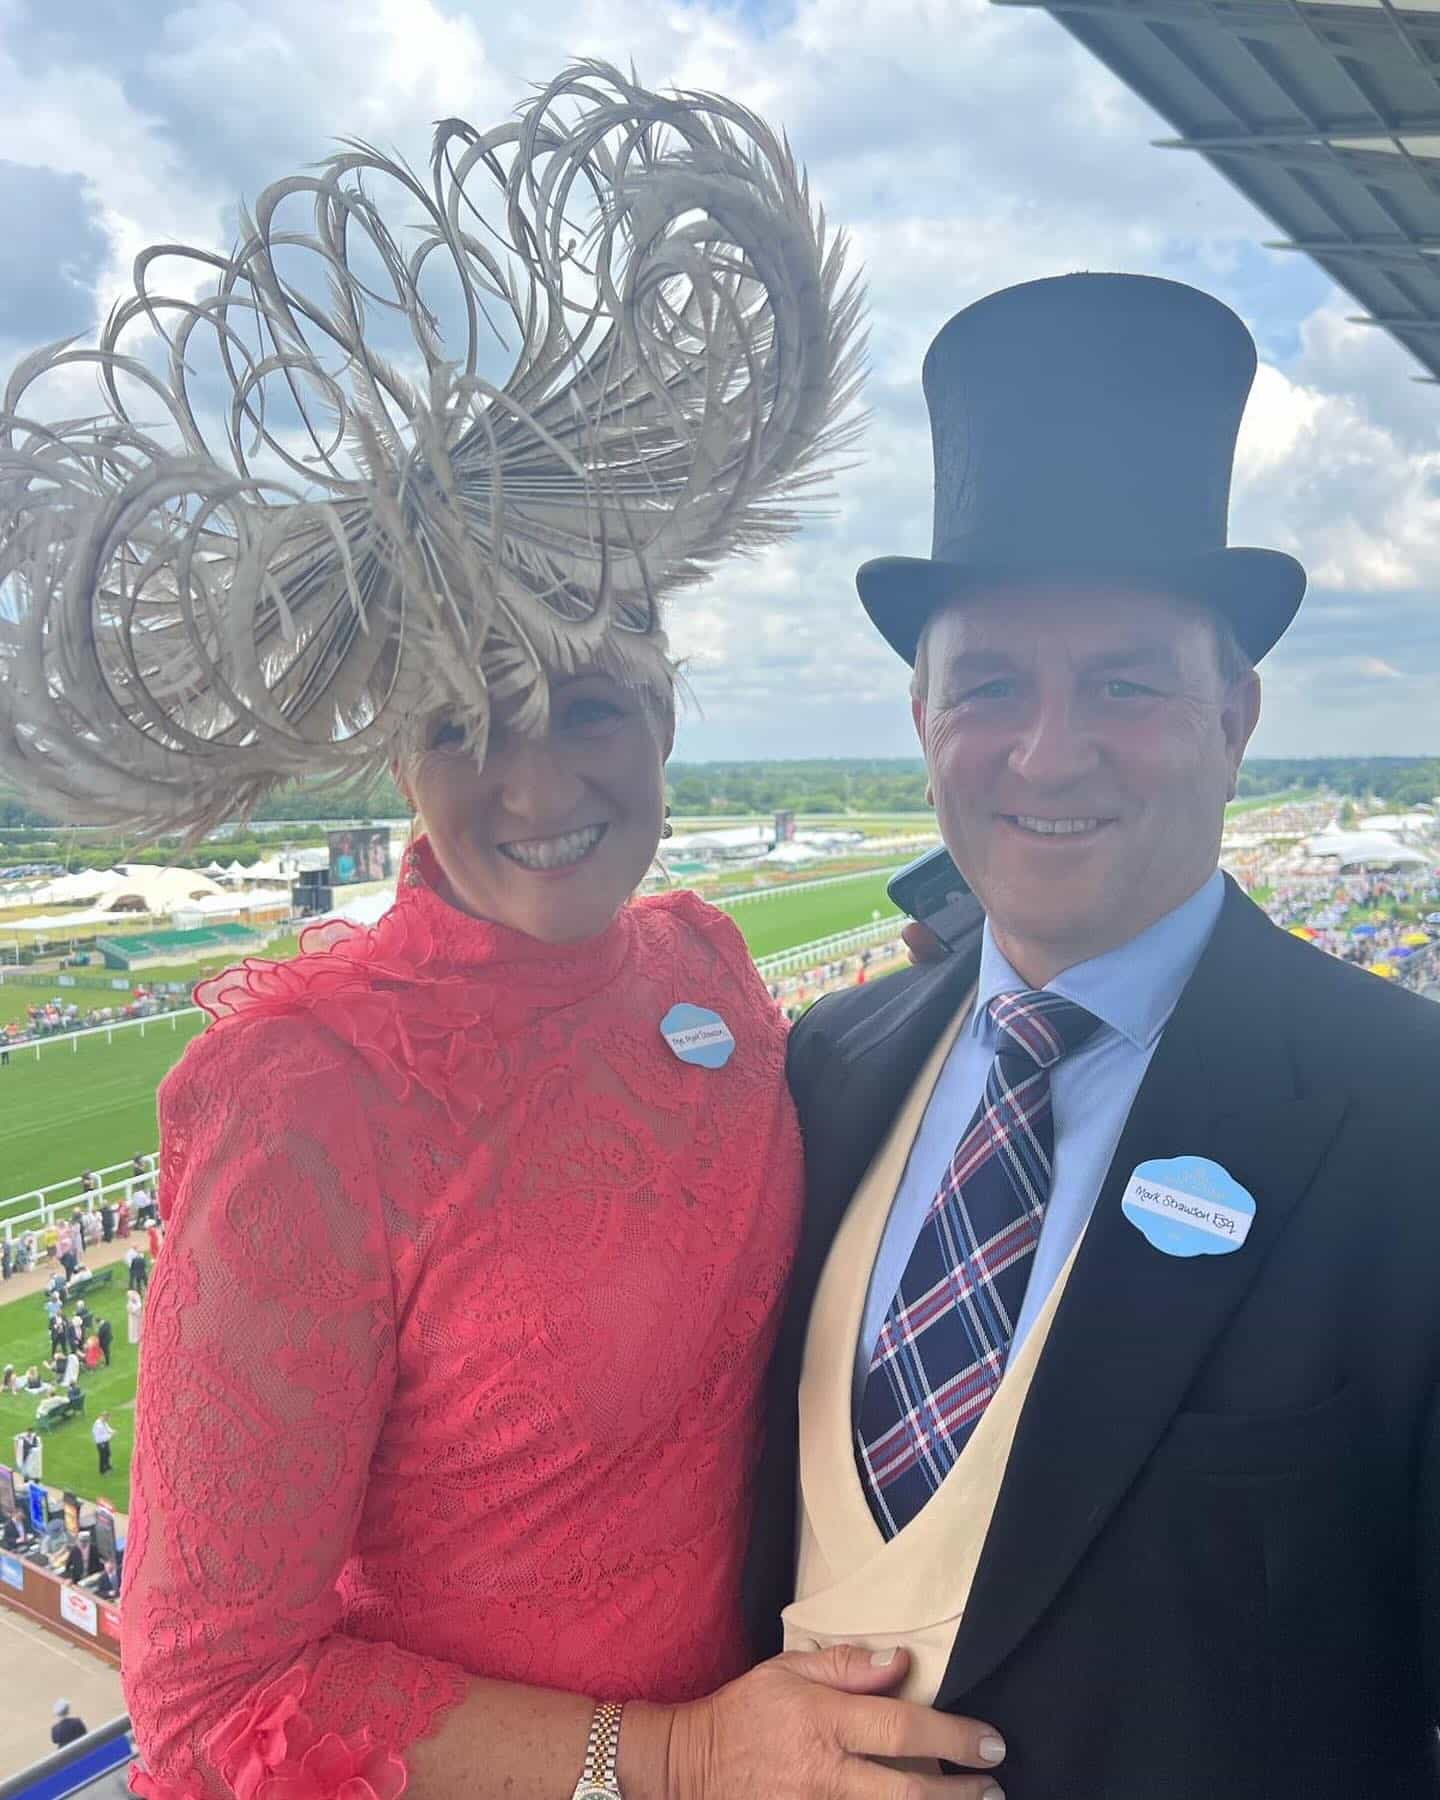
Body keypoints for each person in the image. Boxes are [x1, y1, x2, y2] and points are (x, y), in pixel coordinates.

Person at [0, 64, 998, 1800]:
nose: (536, 784)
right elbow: (215, 1694)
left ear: (667, 715)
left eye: (589, 707)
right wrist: (677, 1760)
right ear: (399, 757)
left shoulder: (705, 965)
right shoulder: (304, 1096)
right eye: (465, 723)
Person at [745, 273, 1440, 1798]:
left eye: (1122, 684)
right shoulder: (825, 1067)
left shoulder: (1411, 1121)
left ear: (1235, 716)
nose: (1049, 754)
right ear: (922, 722)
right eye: (991, 685)